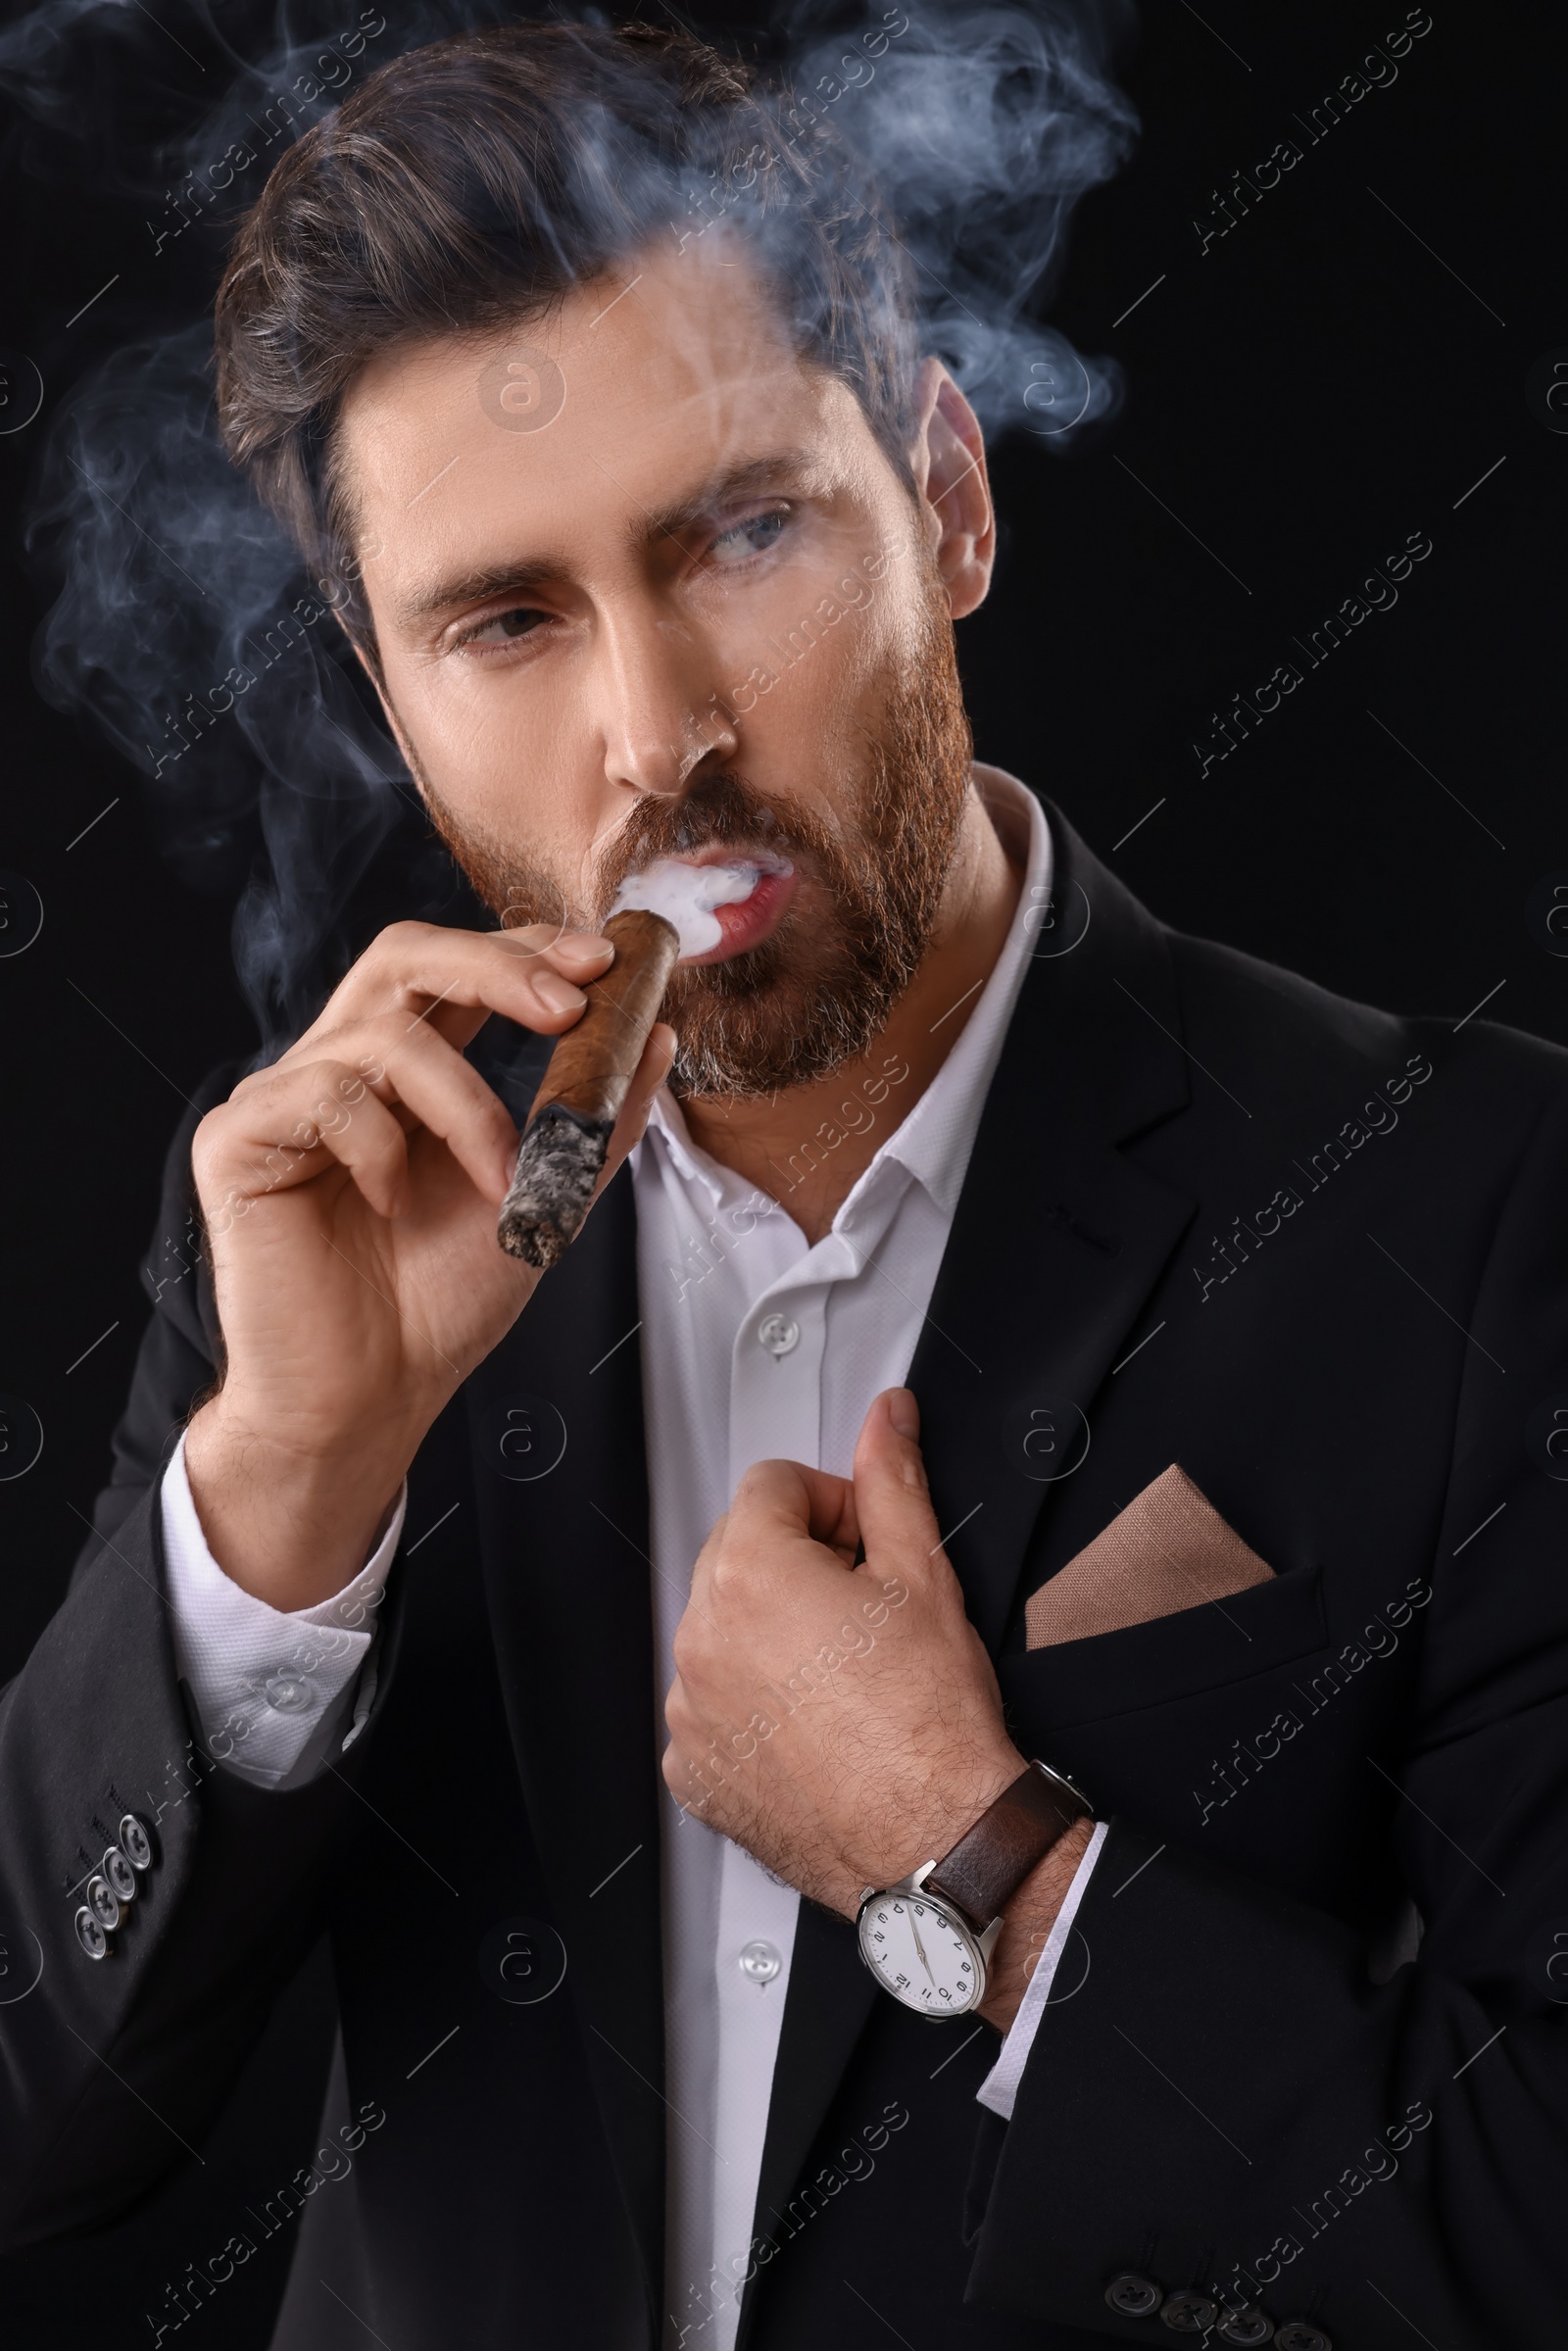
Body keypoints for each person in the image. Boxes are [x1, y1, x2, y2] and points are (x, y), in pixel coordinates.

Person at [3, 22, 1565, 2351]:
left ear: (941, 491)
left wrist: (995, 1876)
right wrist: (280, 1503)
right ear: (382, 682)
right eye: (504, 621)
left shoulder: (1471, 1199)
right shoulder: (306, 1238)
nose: (656, 736)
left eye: (739, 533)